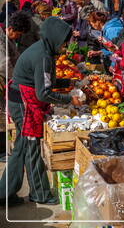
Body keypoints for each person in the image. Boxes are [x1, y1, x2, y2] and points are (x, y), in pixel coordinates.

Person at [0, 17, 81, 207]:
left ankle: (4, 193)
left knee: (21, 148)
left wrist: (66, 83)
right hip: (24, 105)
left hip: (21, 100)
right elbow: (43, 92)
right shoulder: (43, 56)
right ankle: (40, 193)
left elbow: (43, 81)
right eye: (63, 42)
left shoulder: (44, 50)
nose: (64, 46)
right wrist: (70, 99)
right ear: (54, 37)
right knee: (31, 149)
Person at [0, 11, 31, 163]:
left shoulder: (7, 38)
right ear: (10, 29)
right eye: (17, 34)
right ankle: (1, 151)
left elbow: (16, 57)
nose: (18, 37)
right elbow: (4, 64)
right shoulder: (0, 39)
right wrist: (18, 79)